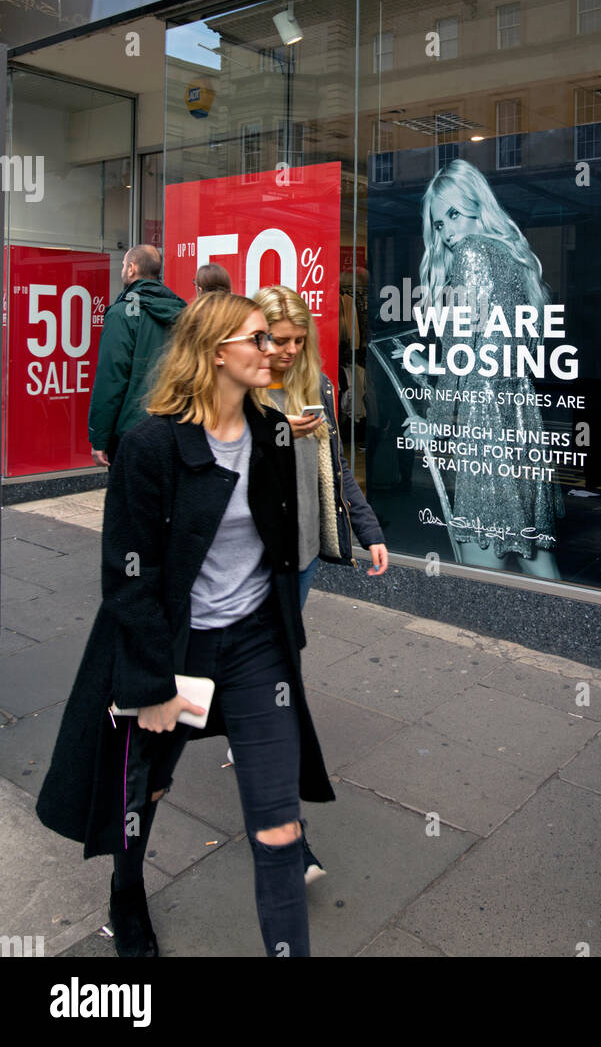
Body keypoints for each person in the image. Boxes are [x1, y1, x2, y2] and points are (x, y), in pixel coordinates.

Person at [36, 292, 334, 958]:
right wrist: (151, 686)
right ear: (215, 352)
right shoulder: (150, 446)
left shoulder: (275, 432)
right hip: (179, 648)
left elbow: (280, 545)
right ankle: (126, 887)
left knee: (277, 800)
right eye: (258, 339)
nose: (274, 351)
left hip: (255, 645)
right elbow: (128, 580)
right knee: (148, 780)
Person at [253, 284, 388, 883]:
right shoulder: (238, 391)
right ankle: (290, 836)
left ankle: (247, 720)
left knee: (276, 671)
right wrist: (282, 436)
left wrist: (369, 530)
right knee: (277, 676)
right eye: (277, 340)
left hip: (303, 553)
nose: (287, 351)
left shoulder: (318, 388)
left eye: (298, 341)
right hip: (254, 560)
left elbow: (338, 468)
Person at [405, 158, 562, 580]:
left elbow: (465, 358)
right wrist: (435, 364)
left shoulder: (473, 252)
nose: (448, 232)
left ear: (478, 206)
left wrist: (432, 424)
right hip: (519, 417)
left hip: (486, 424)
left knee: (481, 576)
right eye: (439, 224)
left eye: (454, 214)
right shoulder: (513, 255)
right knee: (535, 557)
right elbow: (485, 351)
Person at [89, 244, 186, 466]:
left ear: (132, 268)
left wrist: (99, 438)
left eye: (124, 265)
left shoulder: (122, 314)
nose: (123, 269)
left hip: (132, 435)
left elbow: (111, 379)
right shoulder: (183, 312)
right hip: (178, 429)